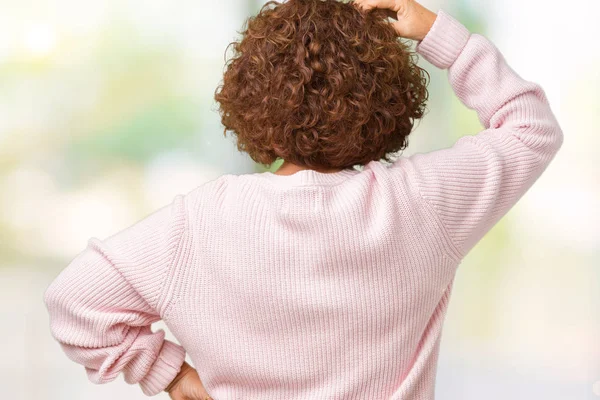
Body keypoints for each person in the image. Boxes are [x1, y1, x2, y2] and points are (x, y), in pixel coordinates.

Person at [43, 0, 564, 399]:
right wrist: (438, 33)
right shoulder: (421, 204)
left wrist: (170, 373)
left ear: (253, 108)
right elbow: (531, 129)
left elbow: (75, 306)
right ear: (389, 105)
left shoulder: (199, 222)